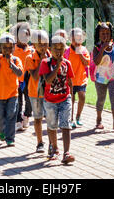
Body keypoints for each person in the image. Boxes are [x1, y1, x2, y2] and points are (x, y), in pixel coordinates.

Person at [39, 35, 75, 164]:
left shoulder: (68, 63)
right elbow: (48, 80)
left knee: (66, 125)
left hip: (65, 98)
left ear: (65, 49)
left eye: (61, 48)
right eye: (55, 48)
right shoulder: (45, 63)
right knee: (52, 126)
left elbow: (70, 81)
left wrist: (72, 98)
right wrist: (58, 65)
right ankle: (54, 149)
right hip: (50, 101)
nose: (58, 51)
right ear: (50, 48)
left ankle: (66, 153)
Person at [0, 34, 23, 146]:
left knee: (11, 114)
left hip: (13, 94)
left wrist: (11, 64)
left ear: (13, 48)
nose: (7, 50)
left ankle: (10, 138)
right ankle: (2, 131)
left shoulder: (16, 60)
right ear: (0, 48)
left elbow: (20, 73)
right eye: (5, 47)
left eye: (10, 47)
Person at [92, 22, 114, 131]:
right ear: (98, 34)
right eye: (102, 33)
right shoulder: (96, 47)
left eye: (107, 33)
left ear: (111, 34)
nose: (105, 36)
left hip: (113, 76)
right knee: (101, 99)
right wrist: (102, 48)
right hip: (101, 77)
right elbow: (96, 62)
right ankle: (99, 120)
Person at [25, 30, 51, 153]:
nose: (43, 47)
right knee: (38, 118)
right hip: (34, 93)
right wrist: (42, 61)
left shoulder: (51, 55)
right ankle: (40, 142)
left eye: (45, 44)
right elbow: (35, 76)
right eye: (39, 44)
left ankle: (52, 142)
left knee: (51, 118)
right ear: (34, 45)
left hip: (49, 92)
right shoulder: (30, 58)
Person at [11, 22, 34, 132]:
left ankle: (27, 115)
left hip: (29, 80)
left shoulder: (32, 50)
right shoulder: (12, 49)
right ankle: (18, 120)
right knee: (18, 101)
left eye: (26, 35)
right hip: (16, 79)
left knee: (30, 101)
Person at [65, 28, 90, 129]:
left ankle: (78, 117)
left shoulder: (84, 50)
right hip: (70, 80)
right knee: (71, 100)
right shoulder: (66, 51)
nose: (77, 41)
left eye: (80, 38)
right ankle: (70, 119)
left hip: (81, 79)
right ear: (70, 39)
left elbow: (86, 63)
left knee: (82, 97)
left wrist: (79, 53)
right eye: (75, 38)